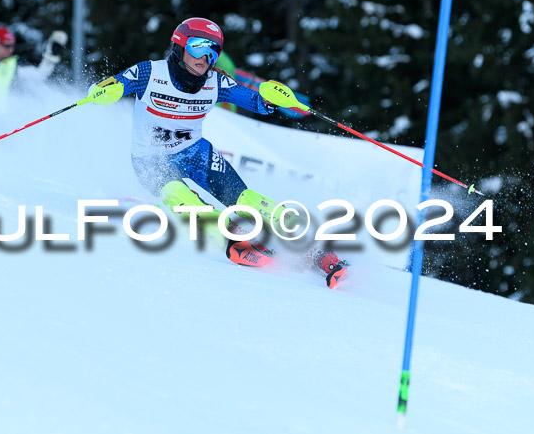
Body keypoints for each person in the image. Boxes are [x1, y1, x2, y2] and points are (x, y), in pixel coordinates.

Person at [88, 17, 347, 288]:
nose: (206, 57)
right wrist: (106, 91)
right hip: (151, 161)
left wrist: (271, 100)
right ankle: (232, 241)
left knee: (247, 199)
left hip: (196, 153)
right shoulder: (149, 73)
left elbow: (256, 102)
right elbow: (108, 87)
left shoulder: (216, 82)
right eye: (199, 47)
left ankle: (314, 247)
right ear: (179, 45)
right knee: (182, 197)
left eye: (214, 50)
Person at [0, 25, 67, 105]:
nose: (10, 49)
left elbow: (39, 75)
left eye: (12, 45)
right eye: (6, 45)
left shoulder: (15, 65)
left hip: (5, 123)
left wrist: (50, 57)